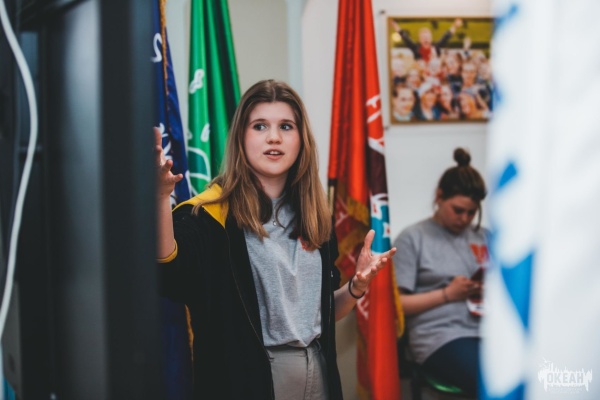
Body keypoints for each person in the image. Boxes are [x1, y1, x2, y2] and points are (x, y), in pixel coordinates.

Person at [155, 79, 395, 400]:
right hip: (248, 381)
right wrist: (160, 197)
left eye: (286, 126)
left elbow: (320, 314)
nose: (274, 137)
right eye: (259, 126)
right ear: (241, 137)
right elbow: (168, 275)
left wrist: (356, 287)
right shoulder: (209, 214)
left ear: (301, 139)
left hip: (318, 370)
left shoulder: (314, 215)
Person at [391, 148, 489, 397]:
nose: (464, 218)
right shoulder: (413, 238)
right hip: (440, 337)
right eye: (458, 210)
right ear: (439, 196)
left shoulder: (485, 237)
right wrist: (448, 294)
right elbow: (397, 305)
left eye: (471, 212)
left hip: (488, 331)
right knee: (490, 380)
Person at [391, 18, 463, 63]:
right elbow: (405, 37)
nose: (426, 40)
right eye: (423, 38)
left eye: (427, 38)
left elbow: (446, 36)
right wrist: (394, 25)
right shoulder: (416, 48)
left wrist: (455, 26)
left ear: (431, 39)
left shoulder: (436, 47)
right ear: (420, 40)